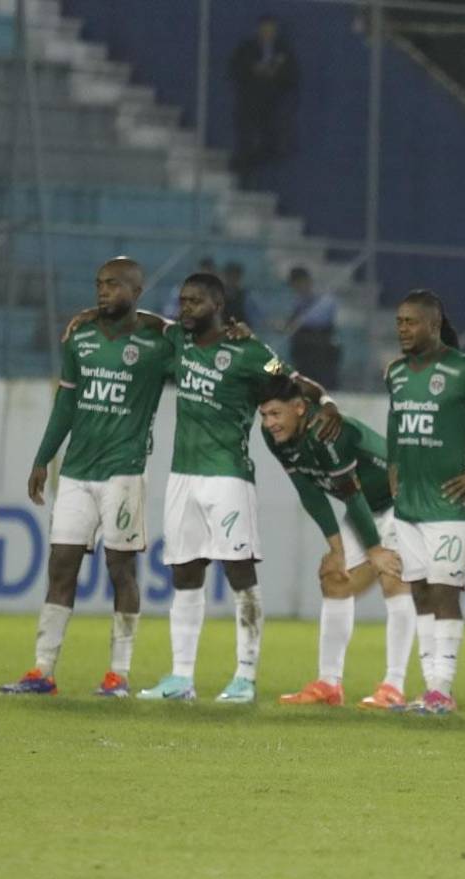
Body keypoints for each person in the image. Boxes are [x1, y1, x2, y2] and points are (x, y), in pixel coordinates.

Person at [136, 273, 340, 704]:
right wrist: (92, 316)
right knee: (184, 573)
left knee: (239, 573)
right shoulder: (181, 342)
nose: (184, 307)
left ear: (217, 305)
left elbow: (288, 377)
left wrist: (325, 401)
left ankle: (245, 677)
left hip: (227, 475)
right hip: (182, 476)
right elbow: (150, 323)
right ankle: (181, 678)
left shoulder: (249, 352)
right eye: (182, 300)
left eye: (194, 301)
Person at [0, 258, 173, 697]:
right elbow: (66, 405)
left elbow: (191, 331)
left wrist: (151, 317)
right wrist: (43, 458)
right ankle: (42, 669)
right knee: (61, 566)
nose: (102, 291)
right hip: (76, 471)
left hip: (124, 472)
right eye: (98, 284)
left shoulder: (157, 342)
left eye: (113, 285)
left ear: (137, 289)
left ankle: (119, 673)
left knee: (121, 569)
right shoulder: (81, 337)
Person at [258, 376, 417, 709]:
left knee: (393, 576)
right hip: (364, 508)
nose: (269, 423)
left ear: (299, 408)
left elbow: (350, 492)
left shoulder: (327, 432)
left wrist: (374, 551)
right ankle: (329, 685)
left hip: (402, 500)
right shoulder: (276, 438)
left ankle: (394, 686)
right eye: (263, 415)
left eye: (275, 414)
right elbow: (309, 491)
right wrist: (336, 549)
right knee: (334, 576)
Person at [386, 289, 465, 714]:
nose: (403, 329)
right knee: (419, 592)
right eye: (400, 321)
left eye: (411, 322)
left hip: (450, 506)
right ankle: (430, 689)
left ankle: (442, 686)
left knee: (444, 593)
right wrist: (393, 466)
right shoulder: (397, 373)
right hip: (409, 507)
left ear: (433, 325)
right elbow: (396, 421)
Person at [229, 14, 299, 185]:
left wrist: (275, 74)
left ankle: (242, 164)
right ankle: (243, 177)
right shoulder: (247, 48)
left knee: (272, 145)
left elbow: (292, 76)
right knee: (246, 140)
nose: (268, 32)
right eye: (265, 29)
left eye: (271, 29)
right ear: (259, 29)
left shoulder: (283, 51)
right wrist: (254, 70)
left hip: (271, 105)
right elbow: (235, 69)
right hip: (248, 103)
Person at [285, 266, 339, 388]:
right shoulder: (298, 302)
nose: (296, 288)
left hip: (320, 351)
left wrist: (298, 322)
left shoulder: (323, 299)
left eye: (298, 284)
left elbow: (321, 319)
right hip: (303, 353)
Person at [223, 261, 261, 329]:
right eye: (230, 276)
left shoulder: (246, 297)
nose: (232, 279)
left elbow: (256, 319)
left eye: (235, 276)